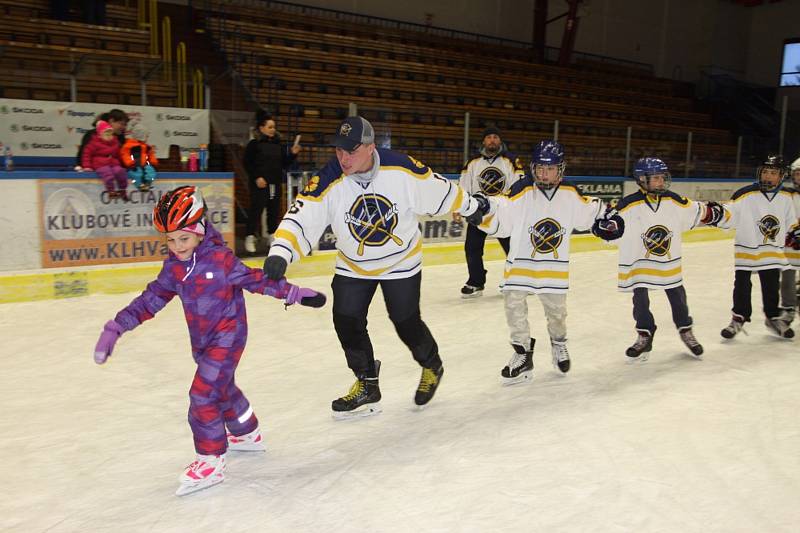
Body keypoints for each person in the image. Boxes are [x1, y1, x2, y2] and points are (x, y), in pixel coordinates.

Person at [92, 186, 326, 496]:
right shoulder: (174, 268)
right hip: (202, 342)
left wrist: (293, 293)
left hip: (228, 337)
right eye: (171, 240)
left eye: (184, 238)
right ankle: (247, 432)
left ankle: (210, 459)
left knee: (202, 395)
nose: (177, 247)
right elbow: (150, 299)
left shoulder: (220, 260)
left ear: (200, 230)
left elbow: (255, 280)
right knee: (223, 388)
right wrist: (115, 327)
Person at [262, 116, 483, 419]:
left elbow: (440, 190)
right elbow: (303, 215)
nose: (343, 158)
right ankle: (367, 383)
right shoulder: (330, 177)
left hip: (401, 262)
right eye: (339, 150)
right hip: (354, 264)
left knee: (405, 322)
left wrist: (470, 207)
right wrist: (281, 250)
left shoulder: (401, 168)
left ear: (369, 147)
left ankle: (432, 364)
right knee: (346, 319)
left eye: (350, 151)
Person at [466, 140, 605, 383]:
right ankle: (522, 353)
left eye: (549, 169)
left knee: (557, 313)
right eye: (539, 168)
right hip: (522, 262)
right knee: (514, 307)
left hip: (553, 266)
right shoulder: (523, 189)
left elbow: (590, 212)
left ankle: (558, 343)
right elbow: (503, 205)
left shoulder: (569, 193)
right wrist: (485, 206)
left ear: (560, 169)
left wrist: (607, 218)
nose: (543, 173)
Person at [591, 157, 727, 361]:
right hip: (640, 262)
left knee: (677, 297)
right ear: (641, 180)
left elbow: (696, 210)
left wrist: (715, 213)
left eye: (662, 177)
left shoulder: (673, 200)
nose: (660, 182)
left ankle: (685, 330)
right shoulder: (628, 205)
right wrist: (605, 229)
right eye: (655, 178)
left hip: (668, 261)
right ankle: (645, 334)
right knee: (640, 300)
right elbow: (611, 226)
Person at [718, 155, 800, 340]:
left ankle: (772, 317)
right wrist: (716, 215)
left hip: (772, 251)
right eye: (765, 172)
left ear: (781, 176)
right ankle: (738, 318)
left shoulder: (786, 196)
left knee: (771, 286)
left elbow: (790, 222)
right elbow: (728, 215)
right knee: (742, 285)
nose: (768, 176)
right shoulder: (745, 194)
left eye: (773, 173)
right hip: (747, 250)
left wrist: (796, 234)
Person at [456, 126, 524, 298]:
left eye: (495, 137)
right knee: (472, 248)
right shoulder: (472, 163)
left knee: (512, 248)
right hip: (478, 212)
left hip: (504, 212)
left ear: (499, 140)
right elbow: (463, 186)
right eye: (489, 137)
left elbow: (519, 186)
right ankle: (476, 282)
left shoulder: (511, 161)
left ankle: (520, 280)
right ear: (484, 141)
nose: (492, 140)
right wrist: (458, 207)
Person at [243, 110, 301, 254]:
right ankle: (249, 237)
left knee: (273, 211)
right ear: (261, 128)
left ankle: (271, 236)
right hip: (260, 183)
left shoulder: (278, 145)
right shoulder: (254, 144)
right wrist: (257, 177)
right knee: (256, 210)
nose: (273, 129)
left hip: (274, 183)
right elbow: (247, 163)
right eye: (269, 127)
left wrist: (292, 154)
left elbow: (284, 163)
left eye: (274, 127)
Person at [82, 120, 128, 199]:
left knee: (120, 171)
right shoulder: (94, 143)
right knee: (107, 174)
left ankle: (122, 189)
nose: (109, 136)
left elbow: (119, 155)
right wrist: (87, 166)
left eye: (110, 134)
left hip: (113, 164)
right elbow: (86, 154)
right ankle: (111, 191)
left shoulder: (115, 142)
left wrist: (125, 164)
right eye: (106, 134)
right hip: (100, 164)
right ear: (100, 135)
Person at [779, 157, 800, 323]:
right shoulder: (786, 195)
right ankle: (789, 307)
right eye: (798, 174)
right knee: (787, 277)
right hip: (791, 247)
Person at [120, 123, 158, 191]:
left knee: (151, 171)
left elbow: (150, 154)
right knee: (136, 174)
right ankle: (139, 185)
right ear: (142, 135)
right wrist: (130, 163)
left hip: (144, 165)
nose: (147, 138)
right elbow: (124, 154)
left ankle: (148, 183)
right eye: (146, 136)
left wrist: (153, 161)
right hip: (133, 166)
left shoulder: (147, 147)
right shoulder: (128, 146)